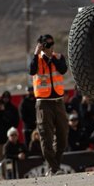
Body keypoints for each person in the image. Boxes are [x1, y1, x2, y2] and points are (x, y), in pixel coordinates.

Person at [29, 34, 69, 176]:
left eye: (52, 44)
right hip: (43, 103)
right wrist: (37, 53)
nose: (51, 47)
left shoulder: (58, 57)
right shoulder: (36, 59)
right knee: (46, 137)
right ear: (41, 45)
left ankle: (53, 167)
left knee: (63, 136)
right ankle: (54, 168)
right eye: (47, 44)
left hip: (58, 101)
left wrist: (52, 58)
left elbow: (63, 69)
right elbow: (32, 70)